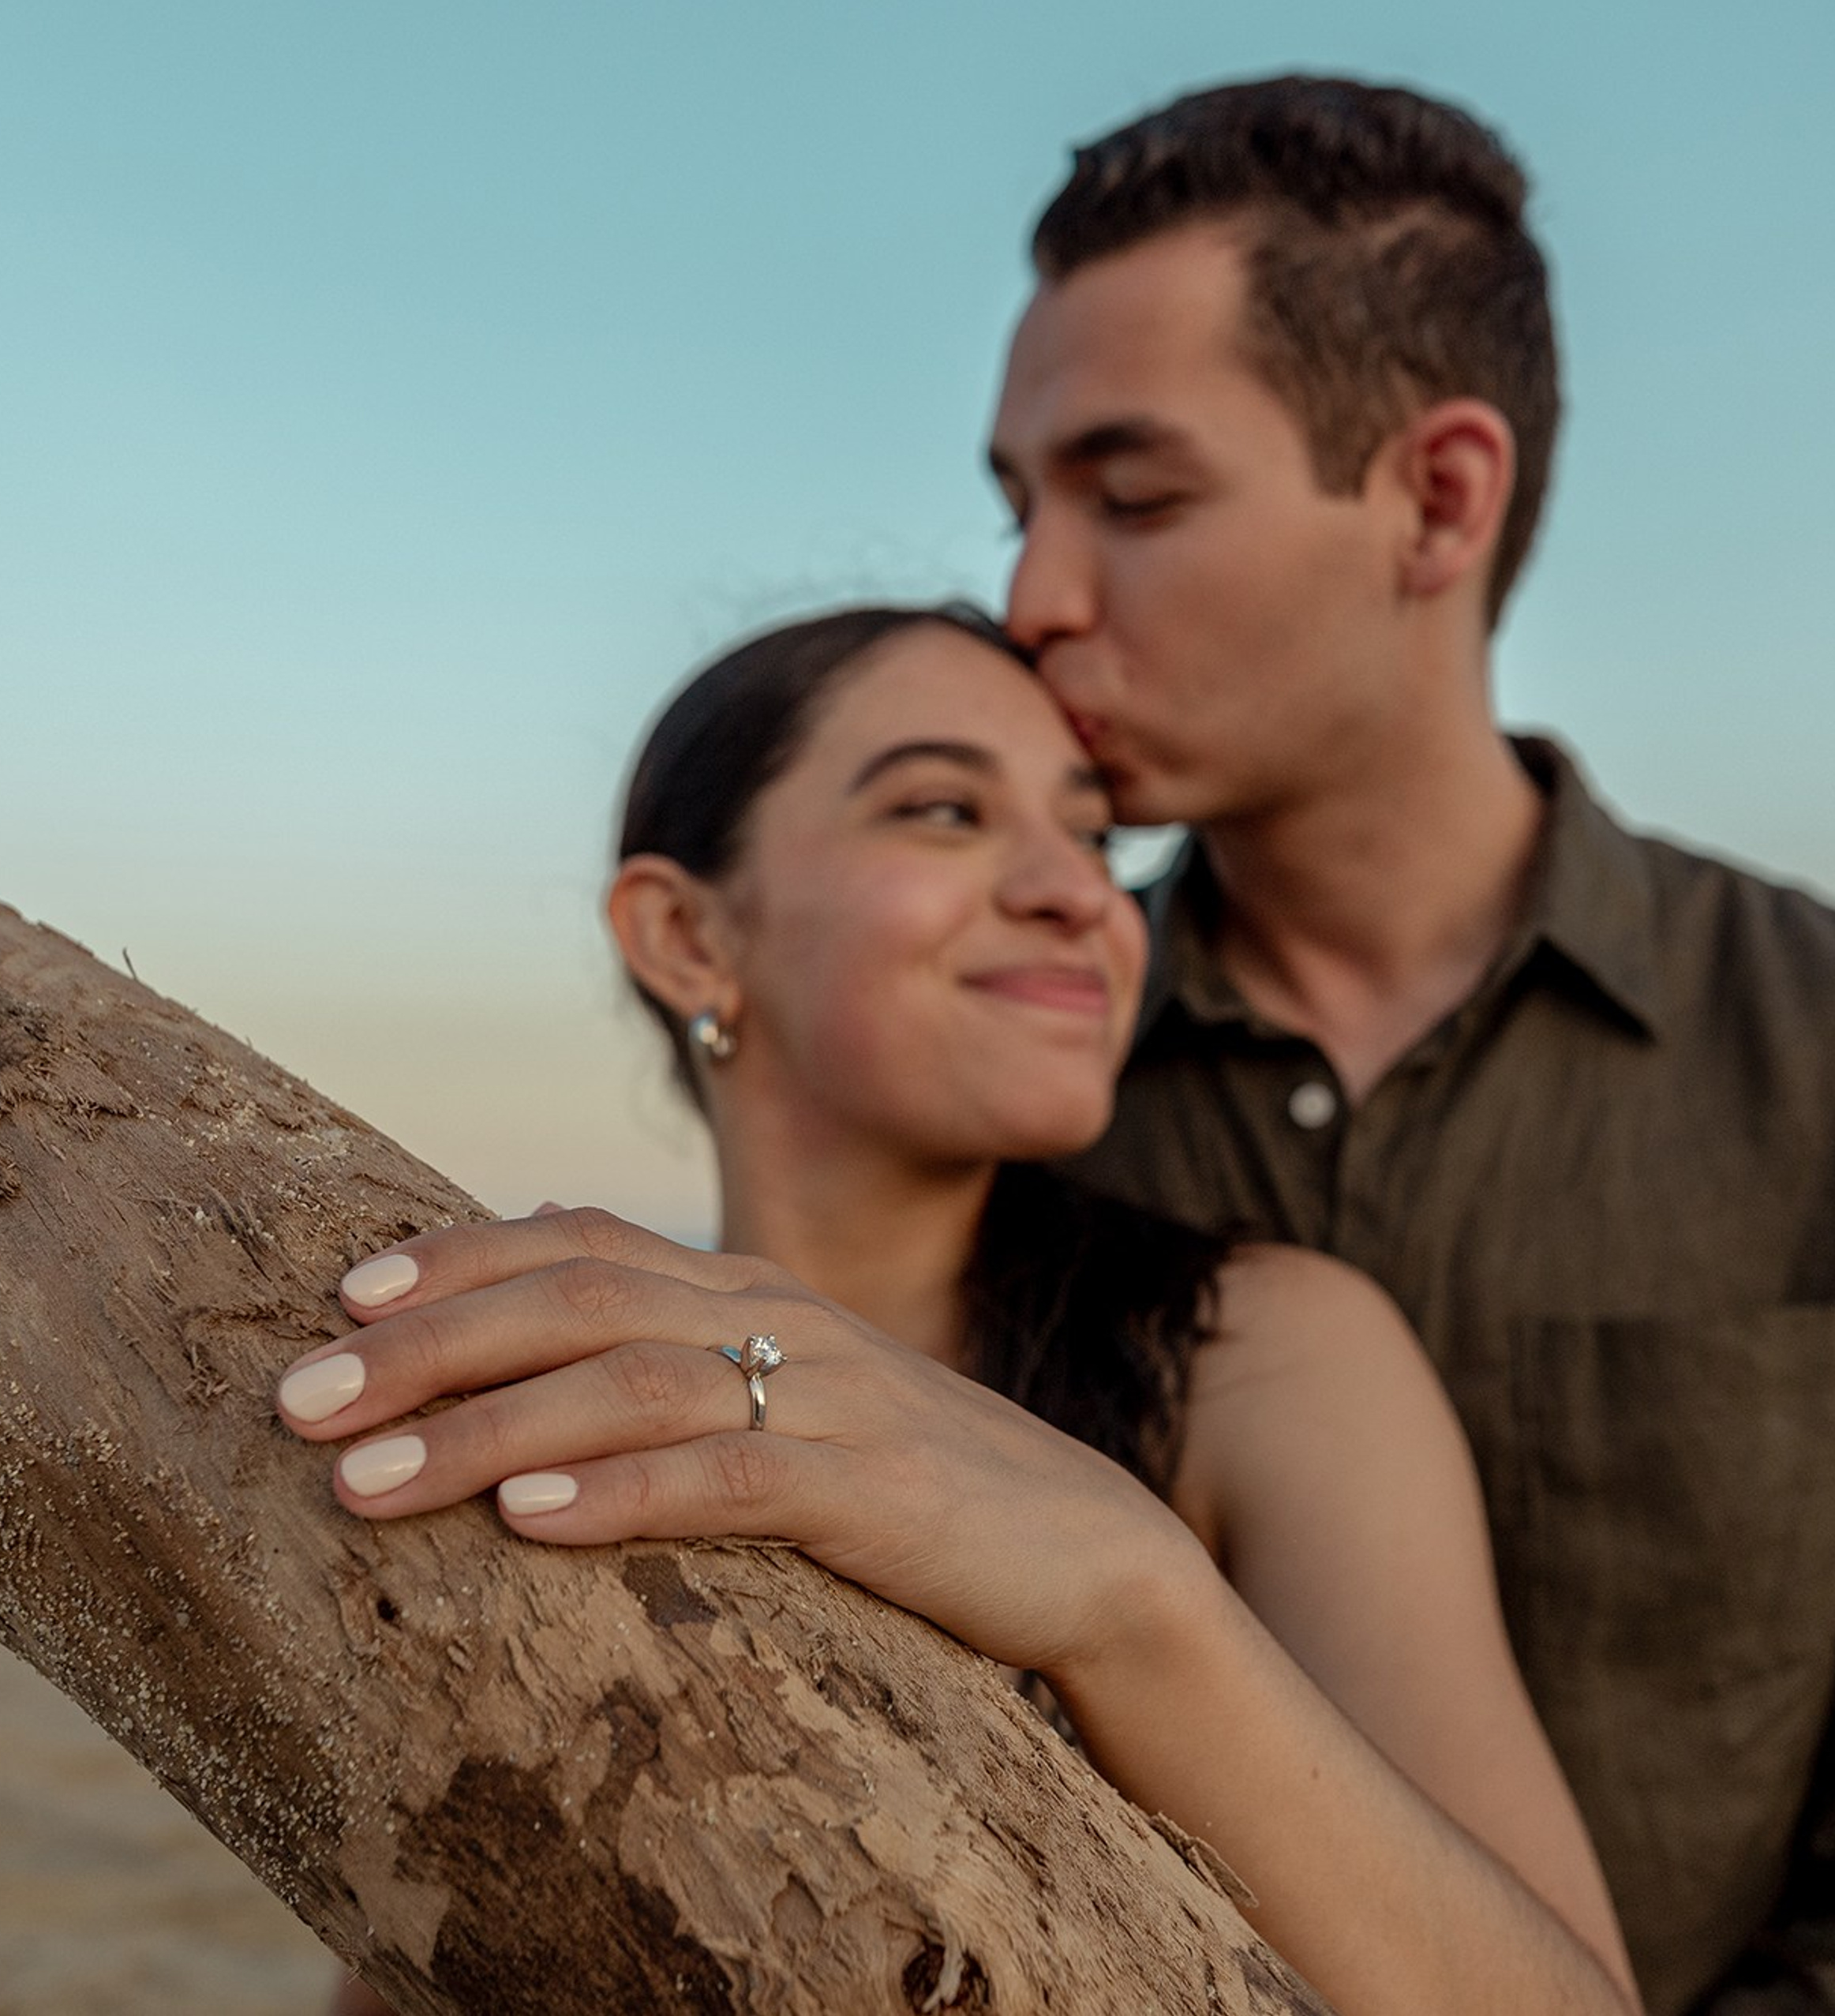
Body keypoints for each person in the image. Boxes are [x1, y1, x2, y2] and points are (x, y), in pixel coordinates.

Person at [279, 604, 1641, 2016]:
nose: (1081, 894)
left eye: (1096, 836)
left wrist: (1134, 1600)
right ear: (685, 934)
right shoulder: (574, 1385)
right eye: (945, 810)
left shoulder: (1262, 1354)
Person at [987, 76, 1835, 2016]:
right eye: (1019, 506)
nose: (1032, 600)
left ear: (1436, 496)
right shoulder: (993, 1091)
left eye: (1129, 497)